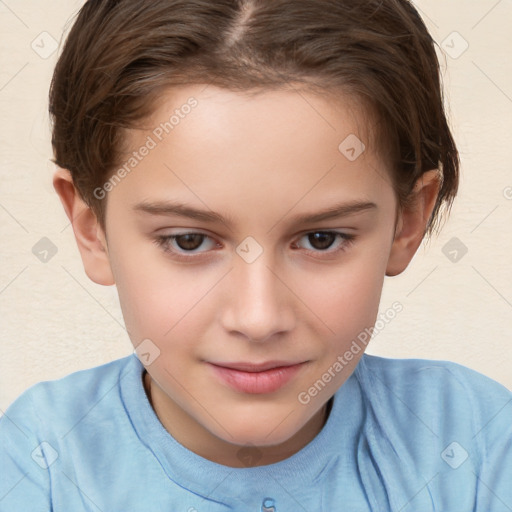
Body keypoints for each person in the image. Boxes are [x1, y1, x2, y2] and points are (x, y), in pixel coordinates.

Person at [1, 0, 511, 510]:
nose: (258, 319)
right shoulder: (33, 467)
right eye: (189, 241)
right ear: (92, 230)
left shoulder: (477, 446)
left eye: (321, 239)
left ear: (406, 222)